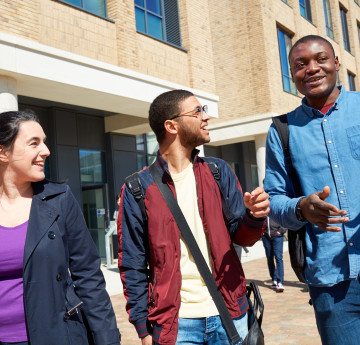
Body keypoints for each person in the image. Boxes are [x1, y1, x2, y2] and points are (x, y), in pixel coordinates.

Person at [118, 90, 270, 345]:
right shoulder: (137, 188)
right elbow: (132, 264)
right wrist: (143, 330)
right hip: (176, 326)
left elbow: (242, 238)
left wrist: (254, 217)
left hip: (230, 313)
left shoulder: (218, 171)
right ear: (171, 126)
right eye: (198, 111)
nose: (206, 117)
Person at [264, 34, 360, 345]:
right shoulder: (281, 130)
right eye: (300, 64)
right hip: (331, 283)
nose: (312, 69)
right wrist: (301, 207)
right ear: (292, 75)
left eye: (321, 59)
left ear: (336, 63)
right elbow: (274, 200)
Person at [0, 110, 121, 345]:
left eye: (44, 142)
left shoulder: (59, 199)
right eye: (34, 143)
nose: (45, 151)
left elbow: (88, 277)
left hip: (55, 336)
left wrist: (107, 340)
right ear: (3, 152)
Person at [262, 217, 287, 292]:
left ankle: (280, 282)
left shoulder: (277, 206)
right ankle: (274, 279)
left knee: (278, 258)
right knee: (269, 258)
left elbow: (285, 219)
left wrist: (281, 231)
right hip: (265, 236)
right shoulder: (263, 208)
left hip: (277, 236)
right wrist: (261, 232)